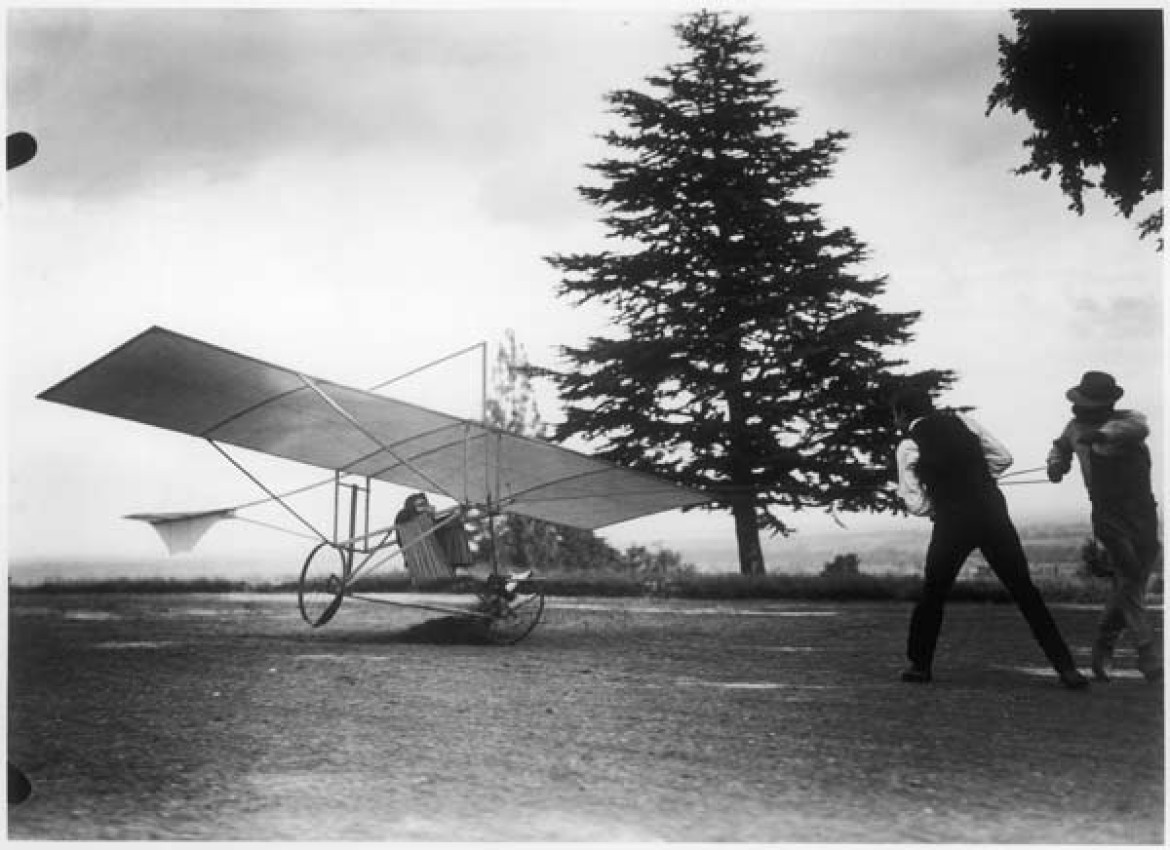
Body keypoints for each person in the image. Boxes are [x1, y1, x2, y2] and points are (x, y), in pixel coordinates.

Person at [891, 388, 1088, 688]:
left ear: (903, 415)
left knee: (934, 593)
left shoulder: (908, 445)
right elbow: (1003, 458)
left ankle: (920, 666)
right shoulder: (962, 421)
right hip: (992, 512)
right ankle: (1066, 668)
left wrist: (940, 504)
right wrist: (980, 480)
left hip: (952, 522)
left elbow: (915, 501)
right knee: (1025, 590)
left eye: (896, 416)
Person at [1047, 371, 1162, 683]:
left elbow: (1137, 426)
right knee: (1129, 574)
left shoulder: (1128, 422)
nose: (1083, 409)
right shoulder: (1073, 429)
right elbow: (1059, 449)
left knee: (1131, 581)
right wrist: (1056, 466)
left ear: (1108, 404)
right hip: (1107, 515)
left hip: (1141, 512)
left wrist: (1101, 436)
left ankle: (1103, 643)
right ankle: (1146, 651)